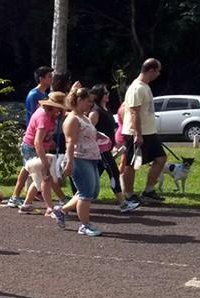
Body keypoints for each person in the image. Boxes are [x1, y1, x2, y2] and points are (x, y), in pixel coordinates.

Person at [122, 58, 167, 205]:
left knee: (161, 159)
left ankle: (148, 191)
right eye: (158, 71)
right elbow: (134, 113)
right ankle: (128, 194)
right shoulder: (137, 88)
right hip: (136, 133)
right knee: (131, 164)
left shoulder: (145, 86)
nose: (159, 74)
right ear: (151, 70)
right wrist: (137, 134)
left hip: (149, 132)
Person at [57, 88, 102, 236]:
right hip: (79, 158)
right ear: (79, 101)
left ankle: (62, 210)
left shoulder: (85, 117)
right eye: (88, 101)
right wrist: (69, 162)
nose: (91, 104)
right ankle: (84, 225)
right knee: (86, 193)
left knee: (92, 192)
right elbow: (70, 142)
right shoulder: (72, 119)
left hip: (91, 158)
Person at [15, 92, 67, 220]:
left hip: (38, 148)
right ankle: (49, 208)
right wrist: (45, 162)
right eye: (59, 107)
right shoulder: (43, 117)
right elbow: (37, 142)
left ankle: (26, 204)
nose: (60, 110)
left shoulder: (50, 114)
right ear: (52, 106)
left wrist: (50, 142)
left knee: (38, 179)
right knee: (46, 178)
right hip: (33, 149)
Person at [89, 85, 139, 212]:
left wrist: (116, 145)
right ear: (99, 95)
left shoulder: (105, 109)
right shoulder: (95, 111)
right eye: (105, 92)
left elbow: (111, 129)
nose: (107, 94)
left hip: (107, 148)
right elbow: (89, 130)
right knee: (114, 172)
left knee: (94, 177)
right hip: (101, 150)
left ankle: (79, 200)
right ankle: (123, 203)